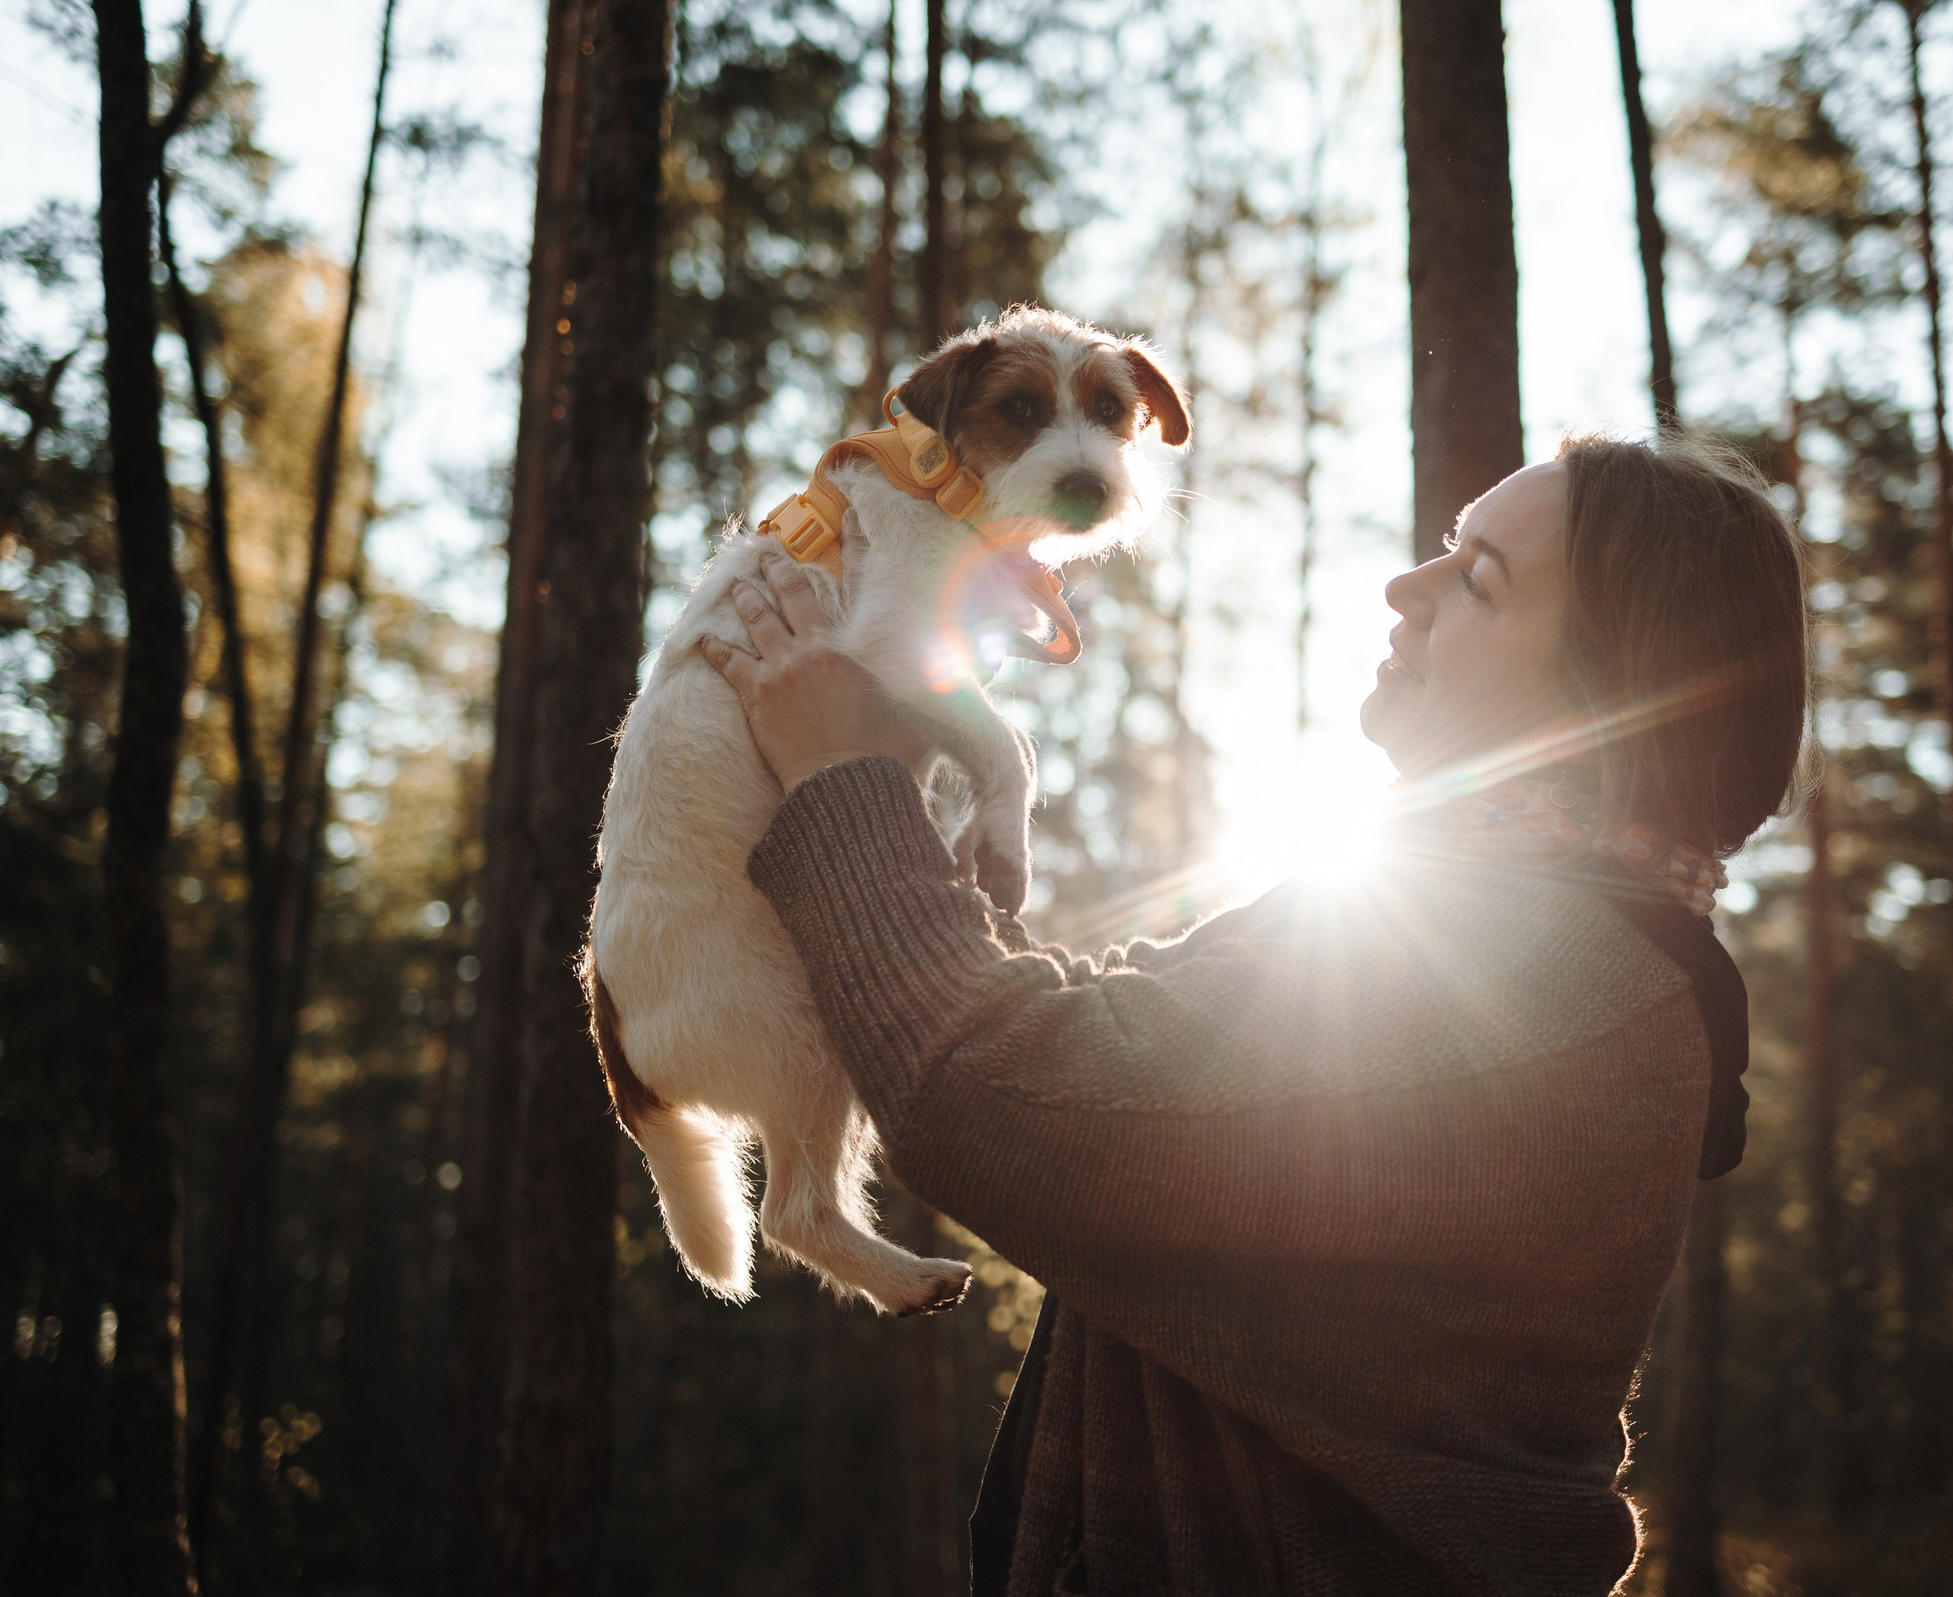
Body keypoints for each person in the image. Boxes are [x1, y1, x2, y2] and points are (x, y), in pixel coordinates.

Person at [695, 433, 1809, 1596]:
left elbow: (999, 1091)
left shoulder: (1531, 977)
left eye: (1477, 579)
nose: (1405, 586)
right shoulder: (1513, 923)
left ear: (1610, 695)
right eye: (1444, 547)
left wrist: (842, 781)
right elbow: (1113, 1040)